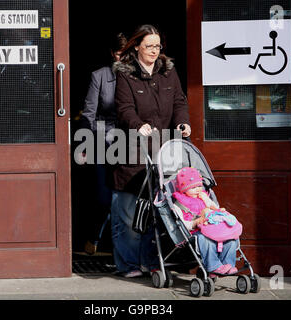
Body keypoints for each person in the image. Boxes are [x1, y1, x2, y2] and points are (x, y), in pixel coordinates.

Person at [111, 24, 191, 277]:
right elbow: (124, 108)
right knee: (128, 211)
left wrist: (183, 121)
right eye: (149, 46)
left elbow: (179, 100)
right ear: (136, 46)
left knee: (159, 208)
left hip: (164, 148)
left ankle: (151, 260)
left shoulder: (168, 71)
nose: (155, 51)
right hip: (133, 149)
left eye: (158, 46)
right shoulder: (126, 74)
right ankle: (129, 264)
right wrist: (138, 125)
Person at [79, 32, 127, 254]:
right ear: (111, 53)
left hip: (131, 142)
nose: (123, 59)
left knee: (127, 196)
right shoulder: (99, 76)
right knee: (102, 196)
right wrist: (87, 145)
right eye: (119, 54)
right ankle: (94, 236)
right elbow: (88, 114)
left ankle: (123, 248)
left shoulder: (138, 77)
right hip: (101, 140)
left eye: (127, 54)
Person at [172, 167, 239, 277]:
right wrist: (195, 222)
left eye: (199, 186)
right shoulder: (179, 204)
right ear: (183, 189)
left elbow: (214, 208)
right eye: (193, 187)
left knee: (231, 239)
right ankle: (214, 266)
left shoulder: (203, 197)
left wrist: (208, 201)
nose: (198, 189)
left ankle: (227, 265)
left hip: (214, 228)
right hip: (196, 232)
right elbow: (183, 224)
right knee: (205, 240)